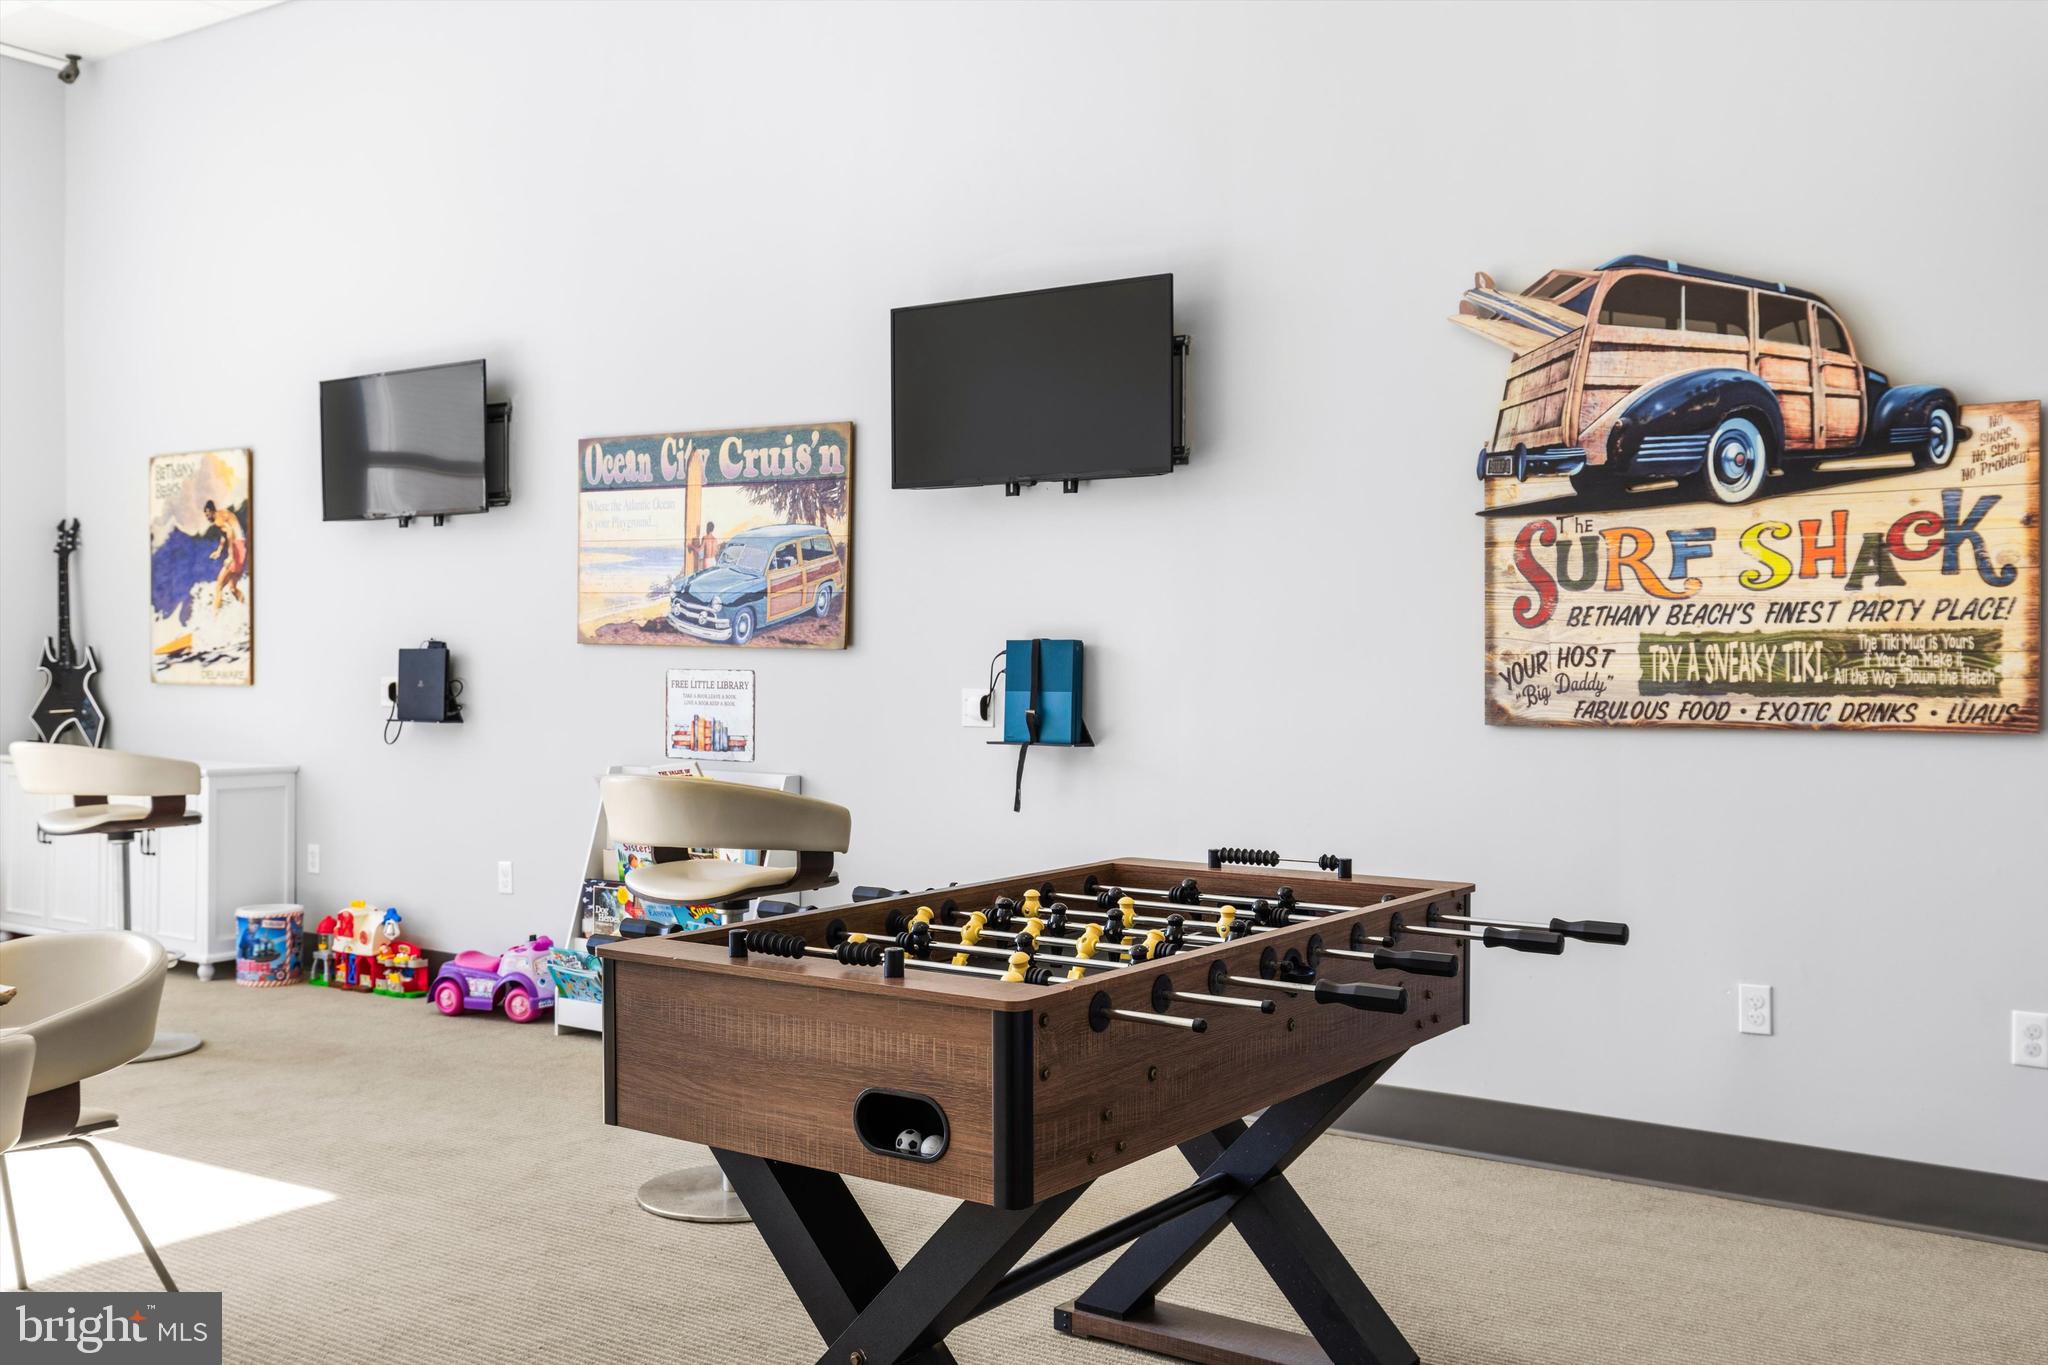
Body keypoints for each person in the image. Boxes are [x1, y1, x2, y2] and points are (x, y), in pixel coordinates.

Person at [205, 498, 247, 612]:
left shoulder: (217, 520)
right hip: (242, 547)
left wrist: (230, 556)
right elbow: (224, 535)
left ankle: (214, 618)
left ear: (212, 511)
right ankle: (246, 608)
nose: (207, 518)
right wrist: (219, 551)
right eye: (206, 515)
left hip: (236, 548)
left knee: (218, 586)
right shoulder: (222, 515)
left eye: (208, 515)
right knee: (232, 588)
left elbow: (229, 532)